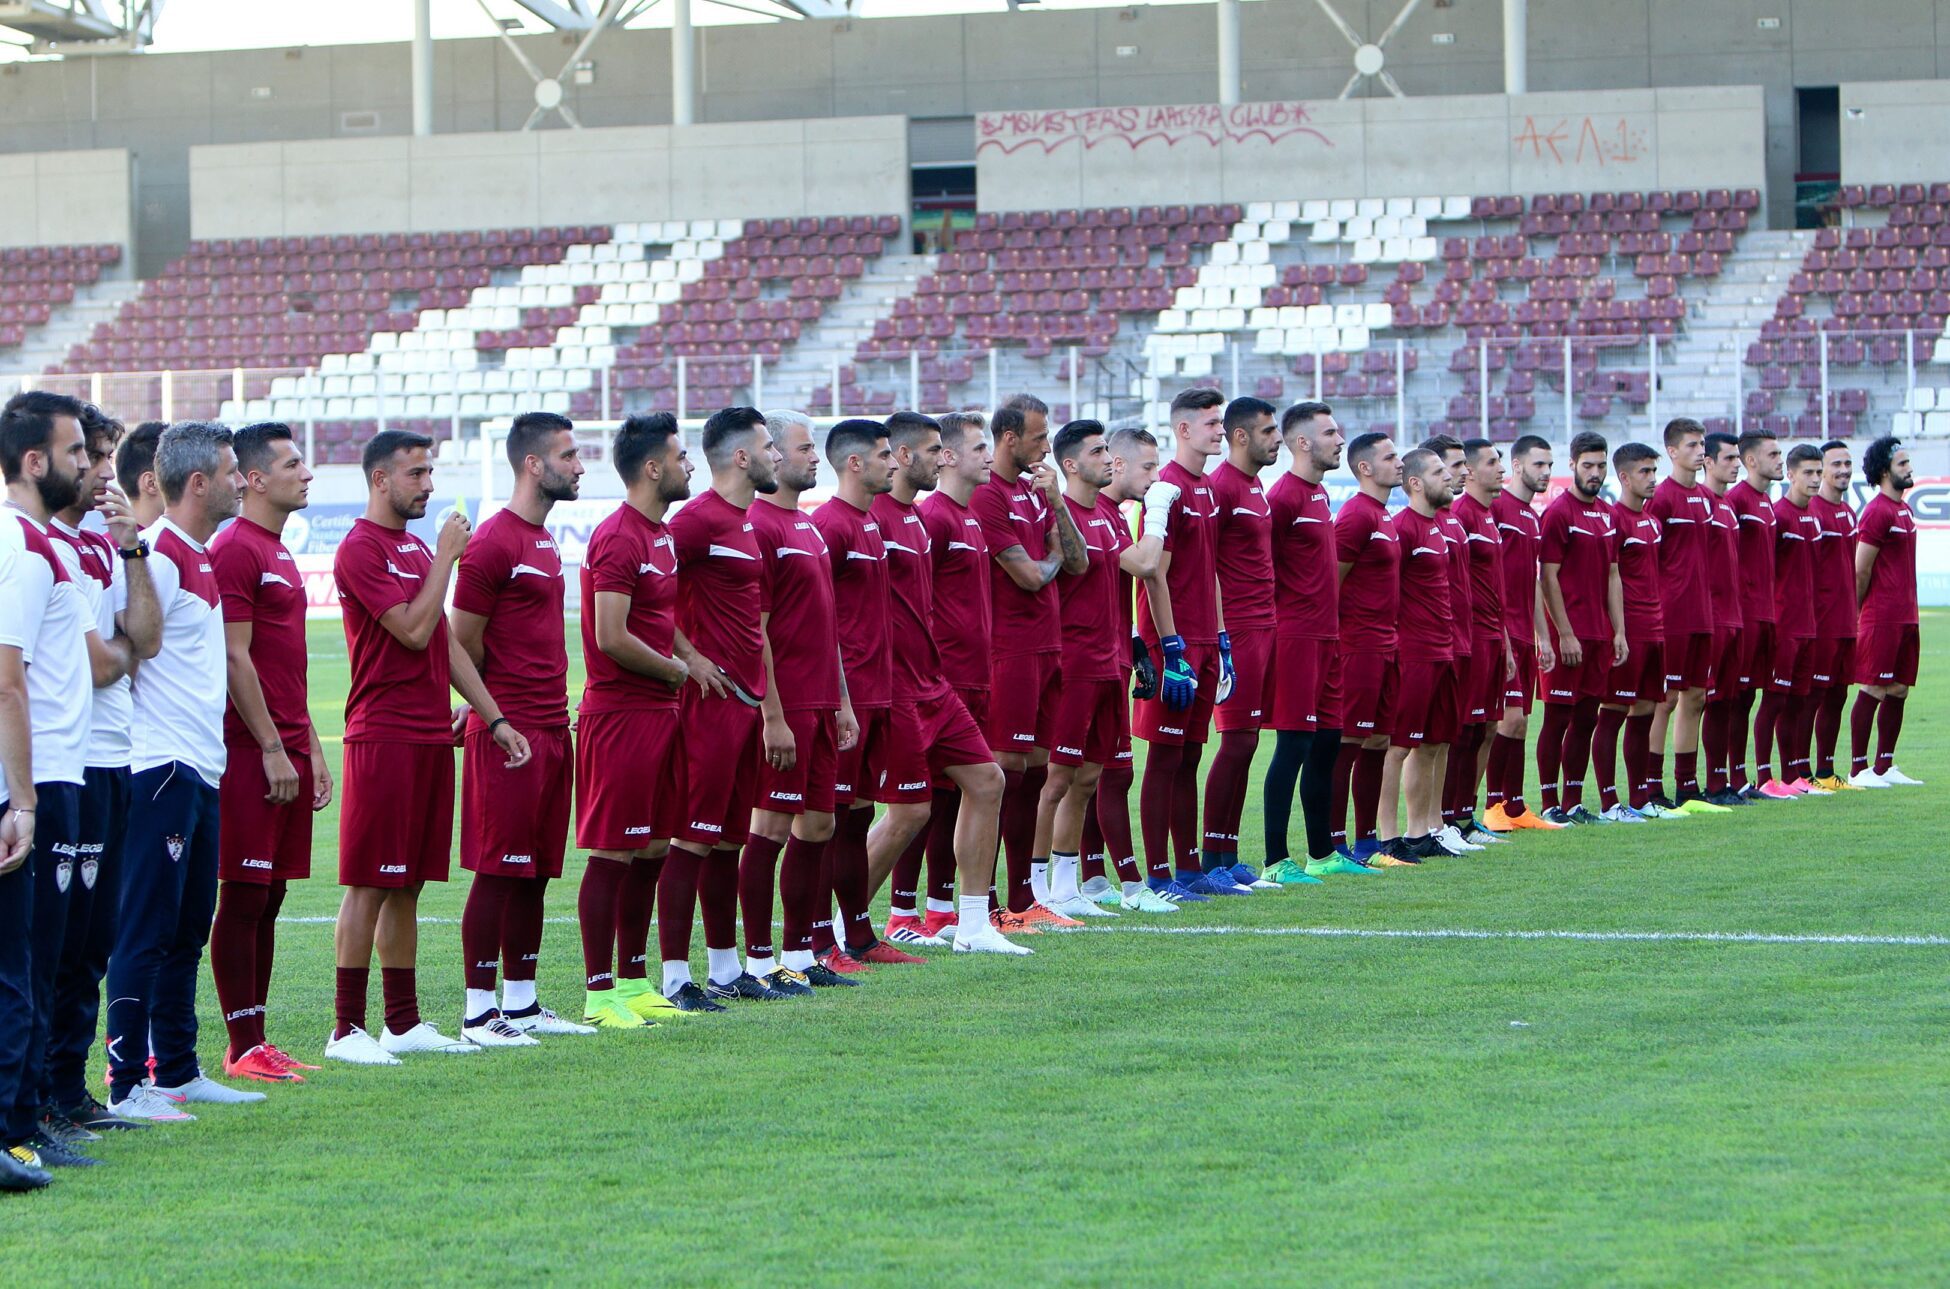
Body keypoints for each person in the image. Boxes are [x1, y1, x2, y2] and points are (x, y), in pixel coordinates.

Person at [328, 429, 526, 1064]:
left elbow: (444, 644)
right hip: (381, 736)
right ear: (380, 479)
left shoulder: (414, 548)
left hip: (429, 736)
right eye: (416, 474)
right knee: (369, 883)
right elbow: (412, 632)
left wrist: (494, 718)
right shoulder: (361, 548)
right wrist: (446, 558)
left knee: (407, 884)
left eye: (429, 472)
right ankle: (346, 1029)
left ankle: (403, 1023)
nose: (429, 485)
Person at [105, 421, 262, 1118]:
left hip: (199, 768)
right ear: (198, 482)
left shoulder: (196, 554)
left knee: (187, 926)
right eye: (231, 472)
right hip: (162, 767)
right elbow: (128, 651)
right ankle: (126, 1082)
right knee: (146, 927)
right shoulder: (160, 556)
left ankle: (176, 1068)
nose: (241, 481)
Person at [2, 393, 121, 1165]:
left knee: (52, 954)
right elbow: (8, 681)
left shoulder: (44, 545)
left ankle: (37, 1109)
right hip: (39, 776)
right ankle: (23, 1121)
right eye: (77, 451)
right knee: (31, 960)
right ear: (34, 460)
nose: (90, 466)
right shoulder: (21, 547)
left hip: (61, 771)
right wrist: (24, 797)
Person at [452, 412, 593, 1041]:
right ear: (533, 464)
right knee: (499, 868)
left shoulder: (543, 539)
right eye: (568, 456)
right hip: (510, 733)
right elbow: (461, 643)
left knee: (535, 870)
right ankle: (478, 1010)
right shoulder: (493, 541)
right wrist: (491, 713)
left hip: (551, 727)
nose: (579, 466)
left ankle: (521, 1002)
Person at [860, 413, 1023, 955]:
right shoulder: (881, 518)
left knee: (987, 781)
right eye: (933, 450)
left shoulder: (918, 517)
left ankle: (971, 924)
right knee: (908, 811)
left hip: (937, 686)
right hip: (900, 689)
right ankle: (847, 926)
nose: (941, 458)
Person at [43, 405, 160, 1137]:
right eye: (92, 456)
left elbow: (144, 638)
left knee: (92, 942)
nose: (104, 473)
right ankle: (37, 1099)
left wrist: (132, 548)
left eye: (111, 457)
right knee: (55, 943)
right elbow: (98, 664)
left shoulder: (103, 545)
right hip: (70, 760)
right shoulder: (42, 546)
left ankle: (69, 1089)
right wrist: (116, 655)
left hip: (116, 756)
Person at [208, 423, 331, 1083]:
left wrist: (310, 746)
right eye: (291, 464)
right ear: (254, 479)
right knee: (245, 892)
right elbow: (235, 658)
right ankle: (241, 1043)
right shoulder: (235, 548)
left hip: (286, 745)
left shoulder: (276, 549)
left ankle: (255, 1040)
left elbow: (284, 663)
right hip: (251, 748)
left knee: (272, 893)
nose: (306, 474)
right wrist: (272, 747)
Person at [572, 414, 701, 1028]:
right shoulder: (618, 537)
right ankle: (599, 994)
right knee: (613, 851)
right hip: (621, 713)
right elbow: (610, 635)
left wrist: (687, 660)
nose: (689, 465)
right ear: (653, 468)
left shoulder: (661, 534)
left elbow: (657, 620)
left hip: (661, 711)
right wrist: (675, 669)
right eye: (680, 456)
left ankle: (632, 980)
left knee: (652, 847)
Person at [662, 408, 782, 1010]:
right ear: (741, 457)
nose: (776, 456)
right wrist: (690, 657)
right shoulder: (695, 520)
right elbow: (647, 594)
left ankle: (725, 969)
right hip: (706, 703)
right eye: (768, 446)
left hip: (744, 704)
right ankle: (674, 978)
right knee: (692, 838)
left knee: (728, 840)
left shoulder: (745, 525)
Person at [741, 410, 856, 990]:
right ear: (773, 455)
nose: (815, 457)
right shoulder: (758, 526)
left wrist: (843, 700)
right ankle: (759, 962)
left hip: (822, 705)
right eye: (805, 448)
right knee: (768, 829)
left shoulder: (807, 526)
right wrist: (773, 715)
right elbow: (756, 631)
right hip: (785, 708)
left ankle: (802, 955)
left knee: (818, 828)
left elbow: (827, 625)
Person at [813, 419, 929, 962]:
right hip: (847, 698)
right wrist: (840, 699)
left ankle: (858, 936)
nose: (894, 463)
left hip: (881, 693)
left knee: (857, 818)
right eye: (884, 456)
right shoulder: (829, 525)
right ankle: (817, 941)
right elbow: (820, 620)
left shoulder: (869, 523)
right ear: (855, 463)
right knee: (828, 822)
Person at [969, 394, 1086, 923]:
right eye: (1039, 437)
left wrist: (1057, 502)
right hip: (1009, 650)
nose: (1047, 445)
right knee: (1007, 774)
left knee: (1036, 773)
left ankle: (1023, 901)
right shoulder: (988, 496)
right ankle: (988, 901)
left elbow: (1077, 563)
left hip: (1048, 647)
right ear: (1009, 438)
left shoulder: (1034, 492)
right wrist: (1053, 555)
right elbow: (1031, 576)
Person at [1031, 420, 1151, 919]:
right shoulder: (1054, 515)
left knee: (1088, 779)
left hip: (1110, 663)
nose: (1108, 459)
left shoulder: (1110, 514)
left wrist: (1134, 646)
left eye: (1107, 449)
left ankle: (1066, 886)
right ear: (1071, 465)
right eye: (1098, 452)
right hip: (1072, 666)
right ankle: (1034, 888)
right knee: (1056, 779)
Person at [1134, 388, 1250, 896]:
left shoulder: (1207, 489)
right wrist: (1172, 647)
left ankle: (1189, 869)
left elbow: (1212, 571)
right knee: (1164, 758)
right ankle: (1158, 875)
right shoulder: (1167, 488)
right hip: (1173, 646)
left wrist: (1221, 638)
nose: (1220, 431)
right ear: (1183, 430)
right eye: (1210, 423)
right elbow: (1153, 575)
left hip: (1204, 642)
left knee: (1189, 756)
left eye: (1220, 422)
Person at [1261, 402, 1368, 880]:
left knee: (1327, 744)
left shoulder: (1320, 494)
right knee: (1294, 745)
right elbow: (1264, 569)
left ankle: (1322, 854)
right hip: (1296, 638)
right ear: (1302, 442)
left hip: (1328, 638)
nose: (1339, 440)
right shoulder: (1282, 496)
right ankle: (1275, 859)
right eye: (1330, 433)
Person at [907, 411, 993, 938]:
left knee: (955, 794)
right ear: (948, 456)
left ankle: (942, 908)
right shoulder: (933, 517)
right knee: (919, 800)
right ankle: (902, 911)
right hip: (940, 680)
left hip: (974, 678)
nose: (989, 456)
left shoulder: (970, 516)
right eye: (979, 448)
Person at [1199, 396, 1282, 888]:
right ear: (1240, 436)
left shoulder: (1255, 486)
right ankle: (1212, 856)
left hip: (1265, 626)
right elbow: (1205, 564)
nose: (1277, 439)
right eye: (1268, 431)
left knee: (1248, 741)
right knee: (1234, 741)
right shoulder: (1222, 486)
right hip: (1239, 629)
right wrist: (1222, 634)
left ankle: (1227, 856)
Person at [1535, 431, 1625, 826]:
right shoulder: (1558, 513)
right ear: (1572, 465)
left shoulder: (1608, 514)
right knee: (1557, 718)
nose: (1595, 473)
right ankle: (1548, 802)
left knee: (1587, 718)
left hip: (1599, 635)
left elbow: (1613, 575)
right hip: (1567, 634)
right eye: (1588, 465)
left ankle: (1573, 801)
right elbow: (1547, 577)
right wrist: (1565, 632)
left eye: (1601, 466)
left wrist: (1619, 631)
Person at [1376, 447, 1458, 863]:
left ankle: (1419, 832)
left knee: (1432, 742)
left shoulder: (1436, 526)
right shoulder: (1403, 527)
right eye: (1439, 472)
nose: (1449, 477)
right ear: (1415, 483)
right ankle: (1387, 837)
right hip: (1413, 653)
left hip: (1442, 650)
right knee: (1399, 746)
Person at [1639, 418, 1722, 814]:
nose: (1700, 451)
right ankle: (1652, 787)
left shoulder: (1706, 498)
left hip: (1702, 614)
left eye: (1702, 444)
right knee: (1666, 698)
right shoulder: (1661, 498)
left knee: (1697, 696)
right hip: (1671, 615)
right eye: (1691, 445)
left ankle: (1688, 786)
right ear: (1672, 451)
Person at [1420, 434, 1494, 853]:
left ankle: (1445, 821)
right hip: (1433, 645)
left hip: (1464, 641)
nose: (1462, 473)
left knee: (1450, 737)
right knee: (1415, 743)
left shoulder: (1453, 519)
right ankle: (1421, 827)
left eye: (1465, 465)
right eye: (1453, 465)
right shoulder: (1430, 521)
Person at [1331, 431, 1402, 864]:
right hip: (1358, 647)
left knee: (1377, 741)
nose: (1400, 463)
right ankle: (1336, 844)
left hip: (1387, 646)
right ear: (1365, 468)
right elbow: (1332, 582)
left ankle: (1368, 843)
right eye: (1390, 457)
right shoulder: (1356, 515)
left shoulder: (1383, 514)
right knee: (1348, 743)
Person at [1482, 435, 1558, 832]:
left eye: (1549, 465)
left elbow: (1532, 579)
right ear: (1516, 466)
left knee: (1522, 721)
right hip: (1502, 631)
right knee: (1508, 720)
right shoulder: (1496, 508)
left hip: (1526, 634)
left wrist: (1543, 634)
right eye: (1538, 464)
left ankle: (1515, 806)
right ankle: (1492, 805)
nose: (1545, 472)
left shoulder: (1532, 516)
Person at [1590, 442, 1667, 824]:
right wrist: (1616, 630)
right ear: (1623, 477)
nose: (1652, 479)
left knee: (1647, 711)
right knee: (1614, 712)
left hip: (1656, 629)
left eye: (1654, 471)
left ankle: (1641, 798)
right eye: (1644, 472)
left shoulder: (1652, 522)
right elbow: (1607, 579)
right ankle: (1609, 802)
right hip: (1628, 631)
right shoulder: (1614, 520)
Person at [1449, 438, 1514, 845]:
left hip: (1493, 637)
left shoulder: (1488, 515)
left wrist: (1504, 641)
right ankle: (1448, 819)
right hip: (1470, 637)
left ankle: (1465, 815)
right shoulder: (1462, 515)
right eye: (1492, 462)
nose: (1501, 469)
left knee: (1488, 727)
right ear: (1470, 471)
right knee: (1466, 730)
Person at [1849, 434, 1921, 786]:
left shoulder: (1904, 510)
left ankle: (1884, 765)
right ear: (1883, 471)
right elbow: (1861, 569)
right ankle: (1859, 769)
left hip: (1907, 615)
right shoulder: (1877, 511)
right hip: (1882, 616)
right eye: (1902, 464)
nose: (1909, 469)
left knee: (1899, 689)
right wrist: (1856, 612)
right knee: (1874, 687)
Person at [1753, 444, 1822, 797]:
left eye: (1818, 472)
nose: (1815, 479)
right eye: (1808, 472)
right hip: (1784, 624)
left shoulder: (1814, 518)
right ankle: (1764, 777)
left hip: (1808, 624)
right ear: (1791, 474)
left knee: (1799, 702)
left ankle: (1793, 775)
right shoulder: (1779, 515)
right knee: (1775, 701)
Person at [1726, 429, 1782, 801]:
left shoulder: (1765, 502)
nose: (1780, 460)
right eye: (1773, 454)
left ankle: (1744, 777)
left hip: (1766, 613)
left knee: (1749, 697)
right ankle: (1730, 777)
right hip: (1743, 614)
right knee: (1735, 697)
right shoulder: (1737, 500)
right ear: (1751, 460)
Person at [1698, 432, 1749, 806]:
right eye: (1729, 458)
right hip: (1709, 618)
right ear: (1708, 462)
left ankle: (1721, 781)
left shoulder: (1728, 506)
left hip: (1734, 617)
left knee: (1728, 701)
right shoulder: (1701, 503)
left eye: (1737, 458)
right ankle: (1702, 784)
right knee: (1705, 701)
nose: (1736, 465)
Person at [1808, 440, 1860, 792]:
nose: (1843, 470)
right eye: (1836, 464)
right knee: (1811, 696)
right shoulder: (1813, 511)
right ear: (1821, 470)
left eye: (1847, 463)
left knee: (1838, 695)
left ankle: (1826, 771)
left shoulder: (1850, 512)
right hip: (1820, 622)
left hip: (1845, 621)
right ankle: (1800, 771)